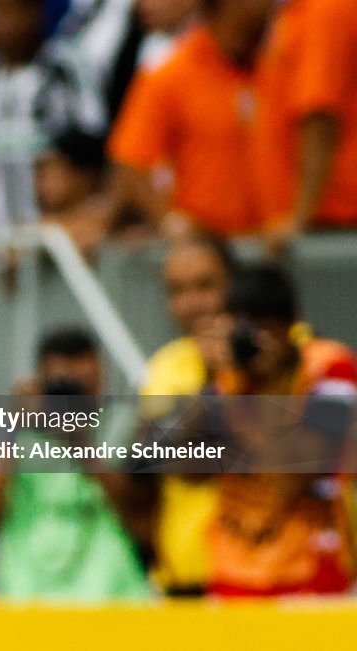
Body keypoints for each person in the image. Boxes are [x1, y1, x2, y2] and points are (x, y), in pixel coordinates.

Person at [0, 328, 153, 601]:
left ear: (102, 379)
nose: (73, 402)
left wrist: (82, 446)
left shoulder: (125, 426)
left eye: (84, 388)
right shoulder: (19, 438)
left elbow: (141, 518)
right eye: (62, 389)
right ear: (40, 383)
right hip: (30, 600)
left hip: (111, 598)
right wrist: (9, 429)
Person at [203, 264, 356, 596]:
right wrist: (209, 377)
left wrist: (268, 385)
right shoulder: (225, 375)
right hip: (234, 567)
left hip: (312, 568)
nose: (251, 341)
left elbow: (292, 478)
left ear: (290, 325)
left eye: (262, 327)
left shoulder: (330, 370)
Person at [107, 0, 274, 239]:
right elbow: (129, 160)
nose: (268, 6)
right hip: (211, 249)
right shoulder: (171, 72)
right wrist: (167, 220)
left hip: (274, 247)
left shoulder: (275, 64)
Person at [138, 237, 234, 595]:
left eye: (206, 285)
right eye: (177, 290)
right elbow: (172, 464)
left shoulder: (288, 352)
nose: (192, 303)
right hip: (186, 581)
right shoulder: (164, 366)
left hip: (274, 578)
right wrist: (212, 382)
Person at [0, 0, 107, 229]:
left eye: (11, 13)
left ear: (35, 13)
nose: (4, 25)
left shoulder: (65, 67)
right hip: (1, 230)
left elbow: (95, 140)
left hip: (59, 227)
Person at [255, 0, 357, 255]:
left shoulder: (325, 11)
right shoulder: (297, 13)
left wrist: (300, 217)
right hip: (319, 223)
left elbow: (320, 115)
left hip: (333, 224)